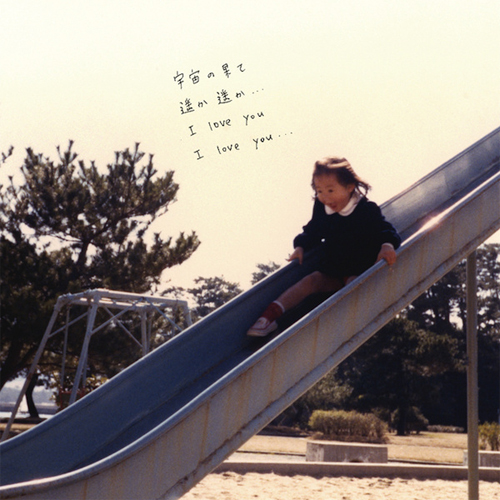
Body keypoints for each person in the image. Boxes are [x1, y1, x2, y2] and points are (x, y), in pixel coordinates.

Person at [247, 157, 401, 337]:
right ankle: (269, 317)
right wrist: (301, 245)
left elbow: (385, 229)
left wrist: (386, 246)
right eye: (319, 191)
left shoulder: (366, 209)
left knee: (353, 285)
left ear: (349, 187)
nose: (325, 197)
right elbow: (314, 229)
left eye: (330, 190)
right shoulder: (322, 207)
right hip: (333, 267)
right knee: (310, 280)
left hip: (360, 267)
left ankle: (329, 328)